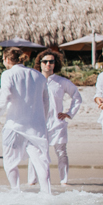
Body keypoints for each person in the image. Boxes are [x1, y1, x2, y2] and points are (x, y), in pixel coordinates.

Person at [0, 47, 51, 193]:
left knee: (10, 162)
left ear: (6, 59)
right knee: (41, 161)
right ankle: (47, 194)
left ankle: (16, 191)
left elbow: (5, 95)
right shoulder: (39, 75)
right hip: (36, 125)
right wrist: (43, 119)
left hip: (15, 125)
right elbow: (46, 101)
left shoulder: (8, 74)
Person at [28, 49, 81, 186]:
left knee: (61, 152)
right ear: (40, 63)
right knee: (35, 152)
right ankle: (32, 181)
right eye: (45, 61)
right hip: (38, 122)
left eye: (51, 61)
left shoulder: (61, 82)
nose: (48, 64)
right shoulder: (34, 80)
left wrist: (69, 113)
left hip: (57, 123)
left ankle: (64, 180)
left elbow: (77, 96)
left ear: (55, 64)